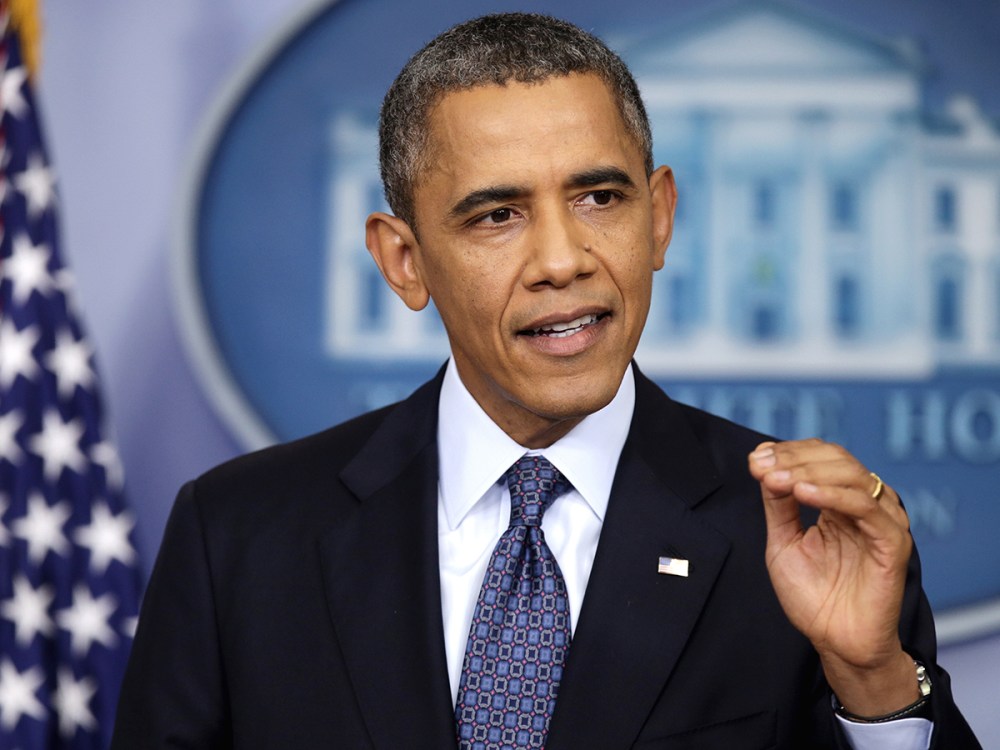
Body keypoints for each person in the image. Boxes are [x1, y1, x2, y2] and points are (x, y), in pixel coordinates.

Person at [111, 13, 980, 750]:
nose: (563, 261)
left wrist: (874, 684)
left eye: (601, 198)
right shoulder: (239, 536)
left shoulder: (809, 536)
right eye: (498, 215)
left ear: (661, 218)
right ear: (404, 260)